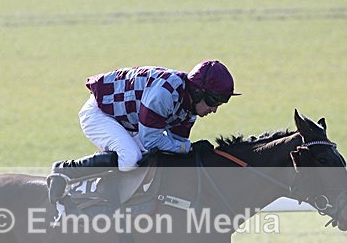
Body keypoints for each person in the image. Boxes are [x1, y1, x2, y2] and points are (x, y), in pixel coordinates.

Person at [47, 60, 239, 202]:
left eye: (221, 103)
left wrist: (190, 151)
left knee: (149, 158)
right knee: (131, 157)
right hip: (100, 114)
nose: (214, 109)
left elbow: (174, 146)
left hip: (129, 122)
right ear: (197, 91)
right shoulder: (164, 94)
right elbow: (152, 141)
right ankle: (67, 170)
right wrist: (189, 148)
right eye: (213, 101)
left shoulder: (188, 109)